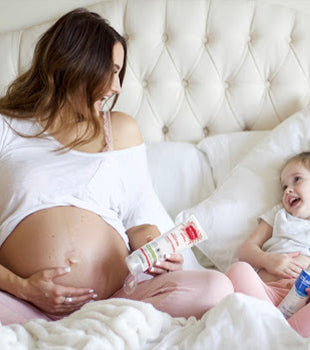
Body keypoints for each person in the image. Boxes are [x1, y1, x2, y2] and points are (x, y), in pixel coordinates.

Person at [0, 8, 234, 325]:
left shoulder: (120, 130)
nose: (117, 87)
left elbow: (140, 221)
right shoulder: (7, 127)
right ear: (77, 62)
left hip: (117, 300)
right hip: (22, 304)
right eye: (111, 71)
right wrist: (25, 289)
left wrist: (155, 249)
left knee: (215, 287)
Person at [225, 136, 310, 338]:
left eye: (297, 179)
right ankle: (281, 335)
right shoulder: (279, 215)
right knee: (238, 269)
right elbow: (246, 250)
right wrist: (268, 260)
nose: (288, 190)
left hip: (309, 301)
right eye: (284, 187)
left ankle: (277, 334)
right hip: (267, 293)